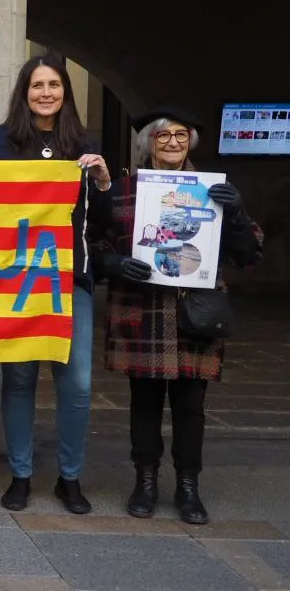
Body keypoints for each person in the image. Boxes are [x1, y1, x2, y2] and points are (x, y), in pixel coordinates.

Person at [90, 107, 262, 525]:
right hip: (142, 310)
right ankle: (145, 482)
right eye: (163, 136)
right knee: (144, 403)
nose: (172, 143)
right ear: (147, 143)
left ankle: (189, 488)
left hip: (195, 310)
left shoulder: (214, 190)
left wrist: (235, 214)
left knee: (191, 404)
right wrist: (112, 264)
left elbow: (249, 253)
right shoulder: (123, 191)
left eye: (180, 136)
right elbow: (94, 242)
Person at [0, 54, 112, 515]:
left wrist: (104, 182)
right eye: (36, 85)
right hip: (14, 282)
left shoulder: (85, 147)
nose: (45, 93)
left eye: (53, 85)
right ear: (23, 92)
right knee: (20, 378)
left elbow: (100, 224)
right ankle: (21, 474)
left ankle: (71, 478)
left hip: (71, 281)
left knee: (78, 383)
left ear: (65, 92)